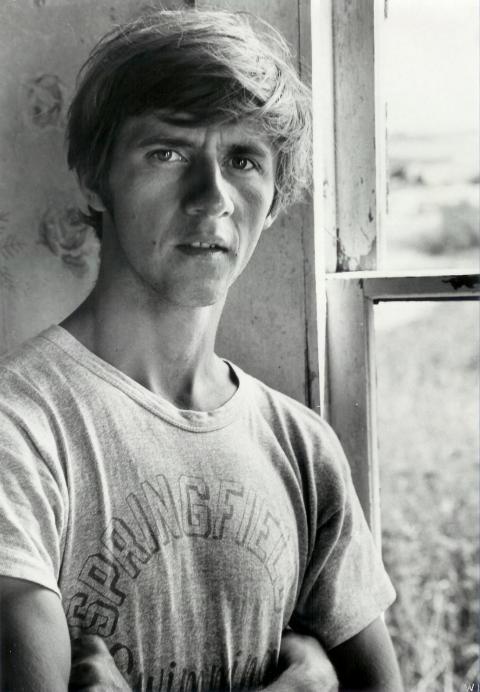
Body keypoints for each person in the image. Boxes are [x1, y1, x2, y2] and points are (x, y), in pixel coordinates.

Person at [0, 9, 403, 692]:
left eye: (243, 160)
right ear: (95, 178)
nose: (211, 197)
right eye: (169, 152)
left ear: (274, 198)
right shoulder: (21, 429)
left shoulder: (303, 449)